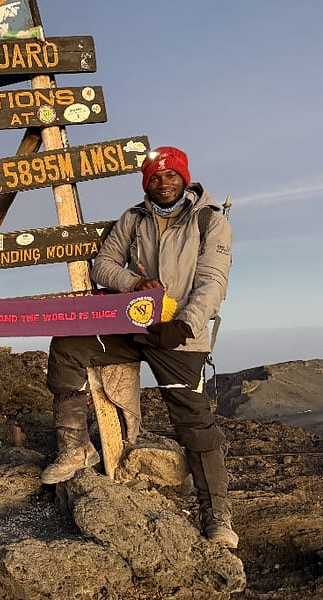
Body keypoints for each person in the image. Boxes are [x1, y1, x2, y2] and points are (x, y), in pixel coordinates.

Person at [41, 146, 238, 548]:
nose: (163, 183)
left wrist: (183, 324)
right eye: (154, 177)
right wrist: (133, 284)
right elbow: (103, 264)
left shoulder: (209, 221)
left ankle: (217, 516)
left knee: (195, 423)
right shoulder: (133, 219)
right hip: (130, 328)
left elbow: (212, 282)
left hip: (181, 336)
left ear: (185, 178)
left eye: (171, 175)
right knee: (68, 345)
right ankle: (76, 449)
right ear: (145, 182)